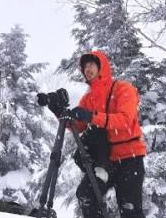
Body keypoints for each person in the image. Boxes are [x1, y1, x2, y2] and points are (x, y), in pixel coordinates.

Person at [51, 50, 146, 218]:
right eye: (84, 67)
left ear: (102, 66)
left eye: (91, 64)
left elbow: (125, 120)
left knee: (130, 210)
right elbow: (77, 127)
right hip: (105, 161)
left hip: (129, 158)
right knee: (86, 195)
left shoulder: (123, 88)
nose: (87, 69)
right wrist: (59, 112)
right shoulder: (89, 98)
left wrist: (92, 116)